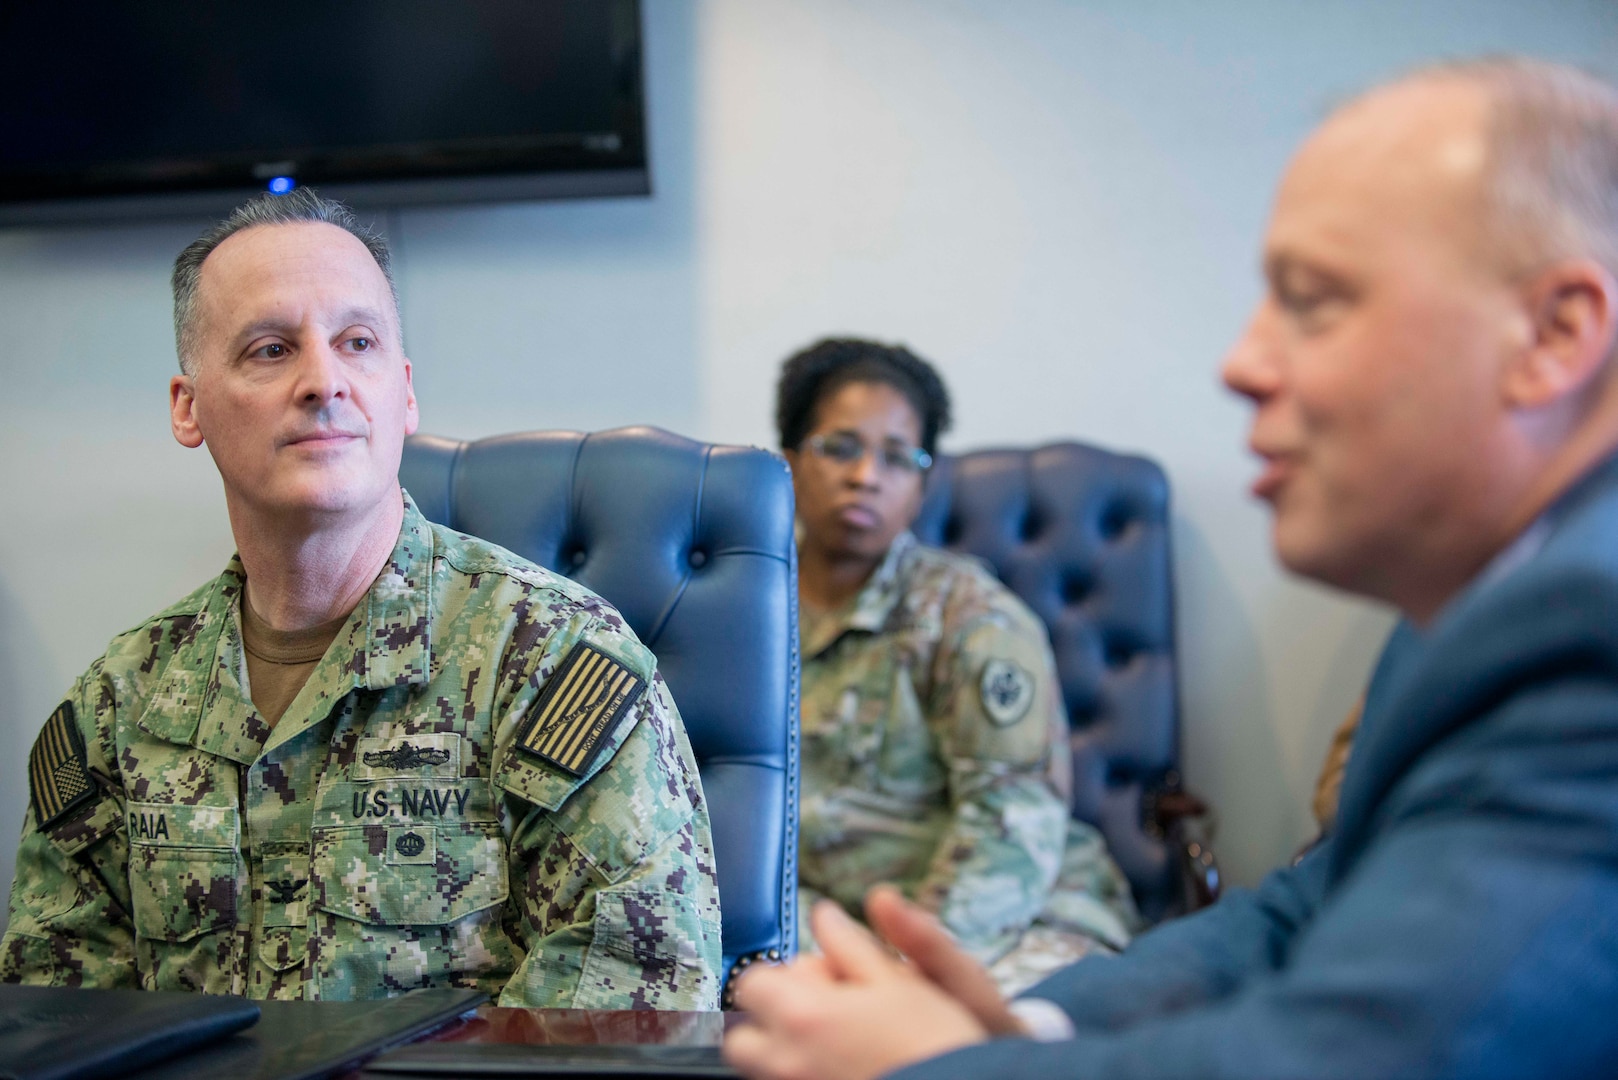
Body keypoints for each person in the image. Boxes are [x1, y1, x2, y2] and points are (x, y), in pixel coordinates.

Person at [725, 56, 1618, 1079]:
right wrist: (1030, 1033)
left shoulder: (1586, 632)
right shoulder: (1457, 614)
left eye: (1313, 299)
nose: (1241, 362)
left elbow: (1352, 1059)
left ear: (1553, 336)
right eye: (839, 449)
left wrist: (929, 1060)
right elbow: (1297, 910)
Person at [0, 189, 722, 1007]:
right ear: (188, 406)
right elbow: (58, 1017)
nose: (323, 381)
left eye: (358, 342)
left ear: (403, 392)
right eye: (271, 349)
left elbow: (634, 1008)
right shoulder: (113, 710)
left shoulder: (554, 666)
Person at [778, 338, 1136, 996]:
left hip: (1014, 917)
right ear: (790, 462)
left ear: (921, 487)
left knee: (983, 1044)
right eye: (839, 447)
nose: (866, 476)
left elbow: (1011, 824)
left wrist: (905, 975)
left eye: (897, 458)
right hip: (829, 929)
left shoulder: (972, 618)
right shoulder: (743, 614)